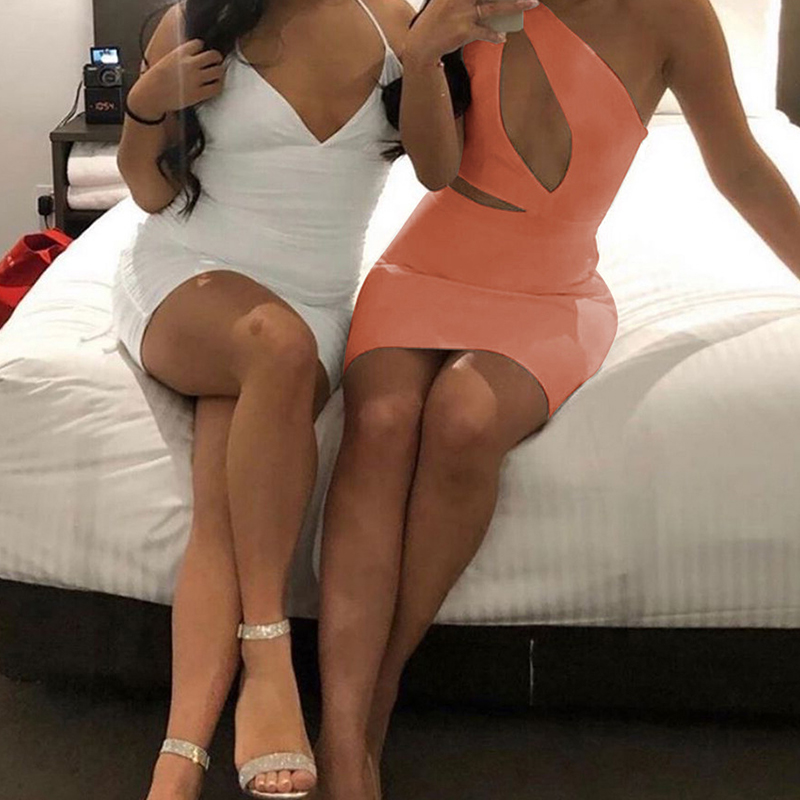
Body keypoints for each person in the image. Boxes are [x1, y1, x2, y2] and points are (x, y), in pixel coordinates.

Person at [316, 0, 800, 797]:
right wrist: (425, 55)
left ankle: (379, 688)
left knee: (465, 416)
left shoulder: (675, 16)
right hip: (426, 265)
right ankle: (341, 745)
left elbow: (740, 167)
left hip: (551, 290)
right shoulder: (475, 0)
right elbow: (435, 170)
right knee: (380, 419)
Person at [109, 0, 518, 795]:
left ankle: (178, 759)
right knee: (274, 346)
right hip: (189, 277)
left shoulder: (399, 24)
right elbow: (149, 193)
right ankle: (269, 659)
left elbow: (438, 170)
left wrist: (425, 61)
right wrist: (144, 106)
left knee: (224, 499)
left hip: (315, 306)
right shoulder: (197, 19)